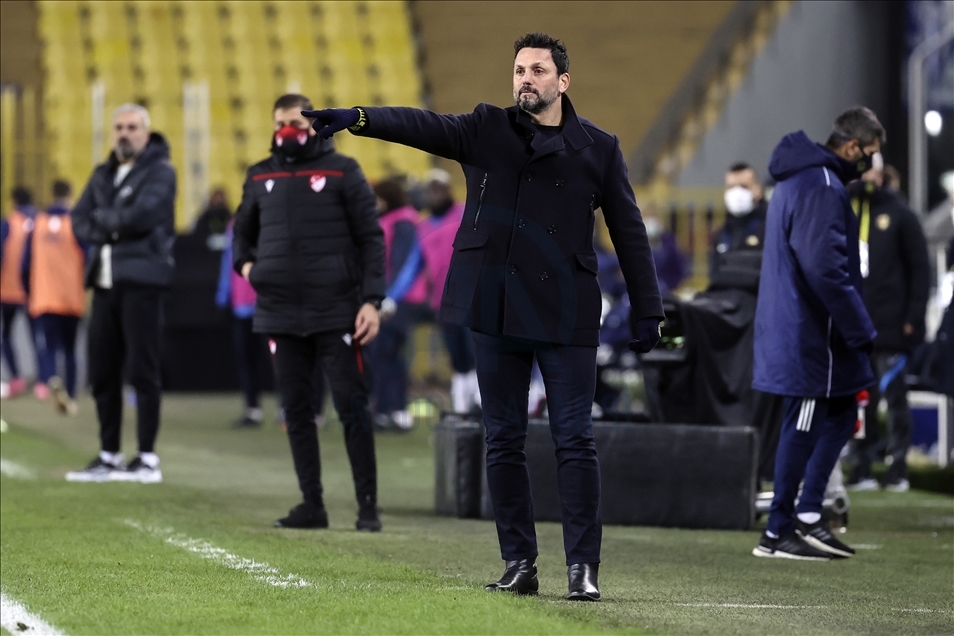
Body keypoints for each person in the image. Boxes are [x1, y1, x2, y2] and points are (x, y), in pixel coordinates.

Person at [304, 32, 664, 600]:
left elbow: (630, 231)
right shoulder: (485, 128)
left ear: (563, 81)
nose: (526, 79)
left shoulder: (599, 147)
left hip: (567, 310)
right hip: (494, 304)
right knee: (503, 440)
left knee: (575, 440)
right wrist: (359, 118)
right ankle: (519, 562)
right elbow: (422, 126)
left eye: (538, 70)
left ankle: (582, 568)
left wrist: (648, 308)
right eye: (520, 70)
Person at [232, 93, 386, 532]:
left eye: (297, 124)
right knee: (296, 412)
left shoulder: (344, 170)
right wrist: (251, 270)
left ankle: (368, 507)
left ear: (314, 126)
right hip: (280, 312)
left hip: (338, 311)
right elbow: (241, 237)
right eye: (280, 123)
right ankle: (311, 505)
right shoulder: (259, 175)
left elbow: (371, 239)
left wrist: (371, 301)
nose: (288, 131)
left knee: (351, 406)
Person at [752, 106, 884, 561]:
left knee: (843, 413)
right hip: (811, 333)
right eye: (869, 153)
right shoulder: (823, 184)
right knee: (803, 422)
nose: (870, 163)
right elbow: (824, 269)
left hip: (804, 326)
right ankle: (777, 532)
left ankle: (808, 516)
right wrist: (860, 328)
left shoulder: (798, 179)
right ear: (852, 147)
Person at [68, 103, 177, 484]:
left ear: (146, 132)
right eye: (119, 127)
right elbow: (78, 218)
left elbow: (142, 216)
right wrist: (112, 224)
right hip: (104, 282)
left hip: (142, 282)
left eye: (132, 127)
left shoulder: (161, 171)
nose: (124, 134)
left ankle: (146, 458)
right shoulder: (103, 173)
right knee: (102, 372)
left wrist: (105, 222)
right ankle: (109, 454)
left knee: (143, 371)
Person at [845, 158, 930, 492]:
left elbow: (920, 269)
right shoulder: (847, 211)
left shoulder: (900, 214)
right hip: (856, 328)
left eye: (868, 170)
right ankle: (862, 466)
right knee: (860, 402)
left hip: (892, 328)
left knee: (895, 400)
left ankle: (898, 468)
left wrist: (913, 317)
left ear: (880, 173)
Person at [417, 168, 480, 414]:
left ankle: (480, 401)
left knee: (475, 349)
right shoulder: (423, 226)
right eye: (430, 190)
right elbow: (416, 264)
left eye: (438, 189)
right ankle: (463, 403)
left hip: (471, 295)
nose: (434, 195)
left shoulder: (464, 212)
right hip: (442, 299)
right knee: (456, 354)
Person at [21, 180, 86, 415]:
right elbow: (89, 258)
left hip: (45, 297)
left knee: (48, 346)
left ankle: (50, 380)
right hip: (71, 297)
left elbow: (25, 264)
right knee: (70, 349)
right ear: (70, 194)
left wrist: (30, 292)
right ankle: (70, 394)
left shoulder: (37, 224)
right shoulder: (76, 223)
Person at [368, 178, 425, 431]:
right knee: (381, 354)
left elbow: (404, 264)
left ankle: (397, 410)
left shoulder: (403, 221)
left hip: (399, 299)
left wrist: (390, 297)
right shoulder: (390, 220)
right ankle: (384, 410)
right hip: (386, 297)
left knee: (388, 352)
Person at [1, 187, 37, 399]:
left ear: (14, 201)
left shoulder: (8, 223)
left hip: (8, 290)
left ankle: (16, 378)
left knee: (6, 335)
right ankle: (43, 379)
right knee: (36, 336)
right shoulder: (38, 222)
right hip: (34, 291)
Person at [710, 162, 767, 280]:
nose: (737, 192)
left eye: (744, 186)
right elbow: (714, 275)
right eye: (731, 187)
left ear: (758, 190)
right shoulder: (722, 233)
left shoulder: (769, 228)